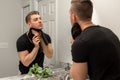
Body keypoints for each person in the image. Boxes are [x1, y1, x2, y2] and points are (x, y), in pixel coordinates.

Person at [69, 0, 120, 80]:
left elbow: (78, 77)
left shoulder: (81, 42)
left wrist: (74, 45)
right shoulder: (110, 32)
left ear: (73, 17)